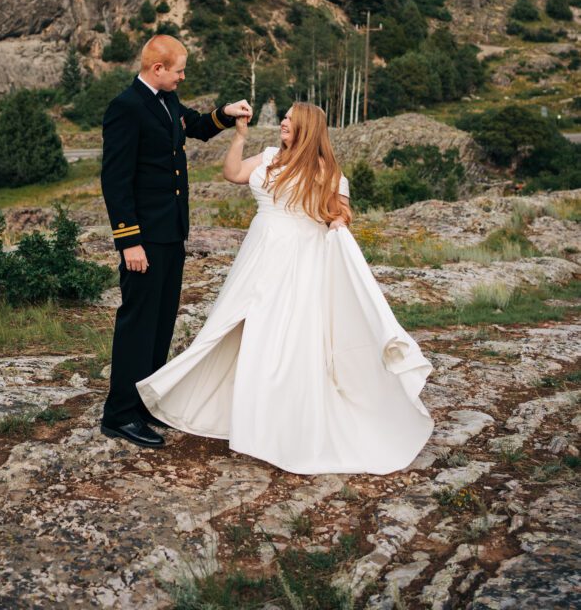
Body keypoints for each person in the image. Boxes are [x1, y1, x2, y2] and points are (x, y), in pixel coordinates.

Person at [137, 102, 434, 474]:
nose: (283, 122)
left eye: (291, 119)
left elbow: (340, 213)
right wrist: (240, 136)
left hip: (296, 260)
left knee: (280, 338)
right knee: (235, 328)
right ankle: (239, 413)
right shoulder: (269, 156)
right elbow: (232, 173)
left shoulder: (327, 171)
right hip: (257, 254)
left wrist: (339, 225)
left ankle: (275, 427)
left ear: (307, 127)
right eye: (285, 117)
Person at [100, 34, 252, 449]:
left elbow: (196, 128)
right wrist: (129, 242)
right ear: (158, 69)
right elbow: (115, 181)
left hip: (171, 233)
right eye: (179, 70)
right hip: (144, 239)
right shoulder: (126, 108)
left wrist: (226, 113)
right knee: (138, 323)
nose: (183, 76)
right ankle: (119, 414)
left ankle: (146, 403)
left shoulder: (166, 101)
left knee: (162, 320)